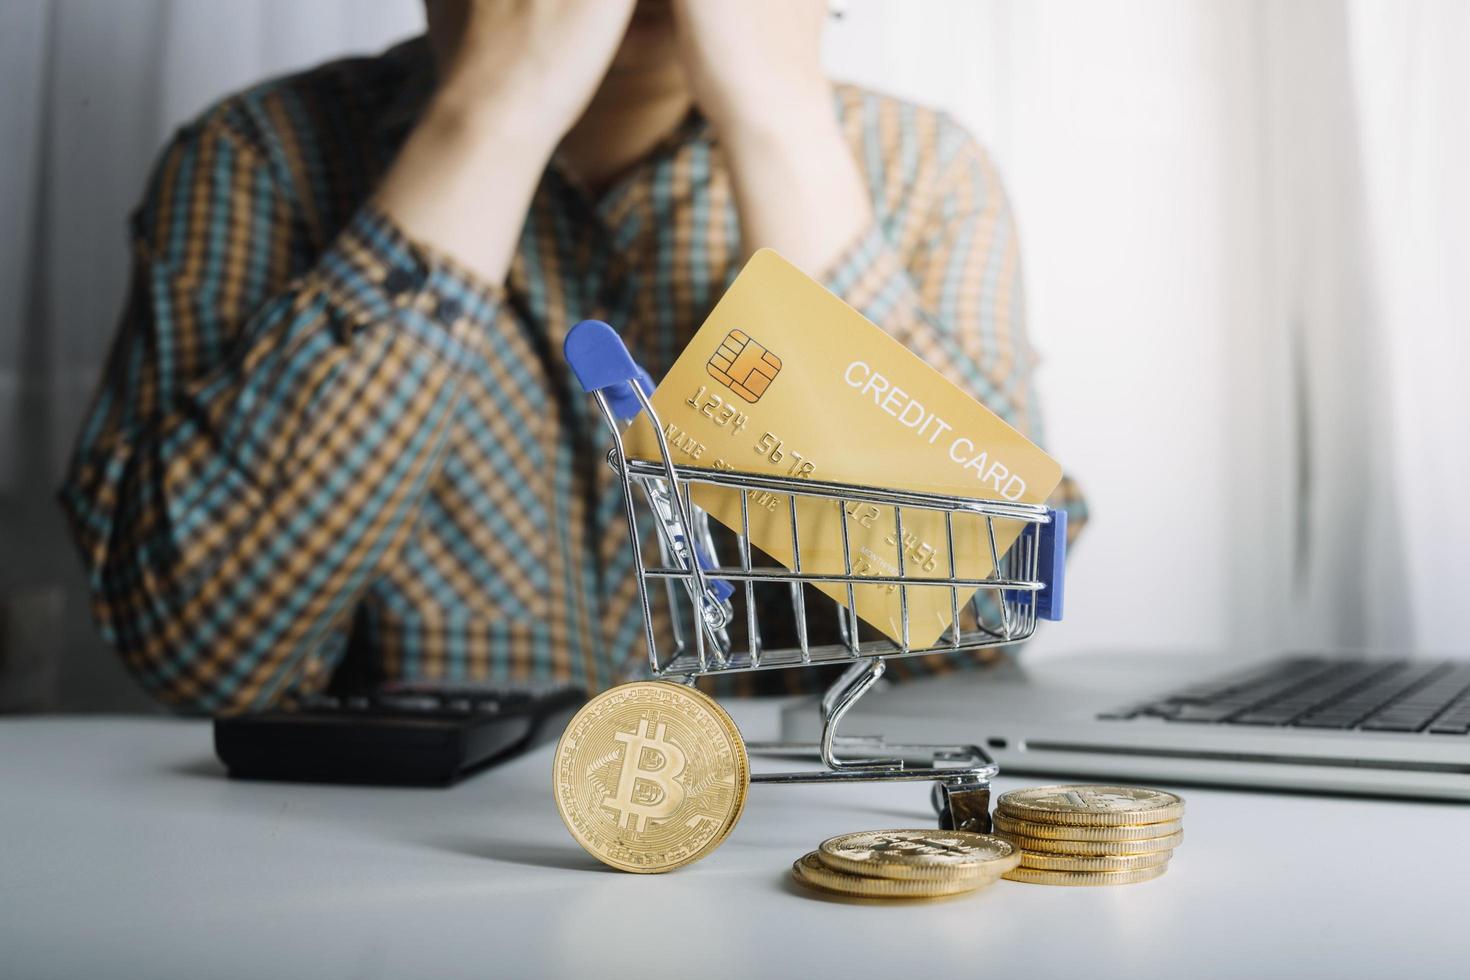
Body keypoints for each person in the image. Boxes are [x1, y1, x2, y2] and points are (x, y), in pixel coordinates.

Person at [59, 0, 1085, 713]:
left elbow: (985, 609)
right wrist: (494, 113)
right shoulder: (260, 158)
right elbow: (194, 647)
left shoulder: (920, 171)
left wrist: (778, 116)